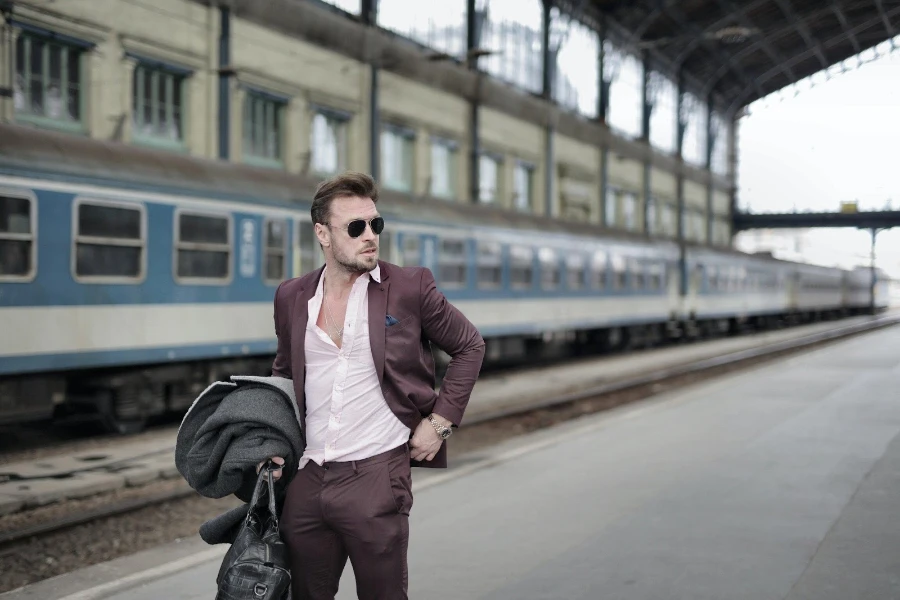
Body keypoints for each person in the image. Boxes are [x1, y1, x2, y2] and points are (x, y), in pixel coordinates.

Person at [265, 171, 485, 600]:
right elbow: (284, 373)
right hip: (307, 478)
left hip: (376, 475)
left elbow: (470, 346)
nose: (370, 236)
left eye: (375, 224)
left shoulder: (409, 287)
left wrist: (439, 422)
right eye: (356, 227)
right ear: (322, 234)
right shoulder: (292, 296)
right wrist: (272, 441)